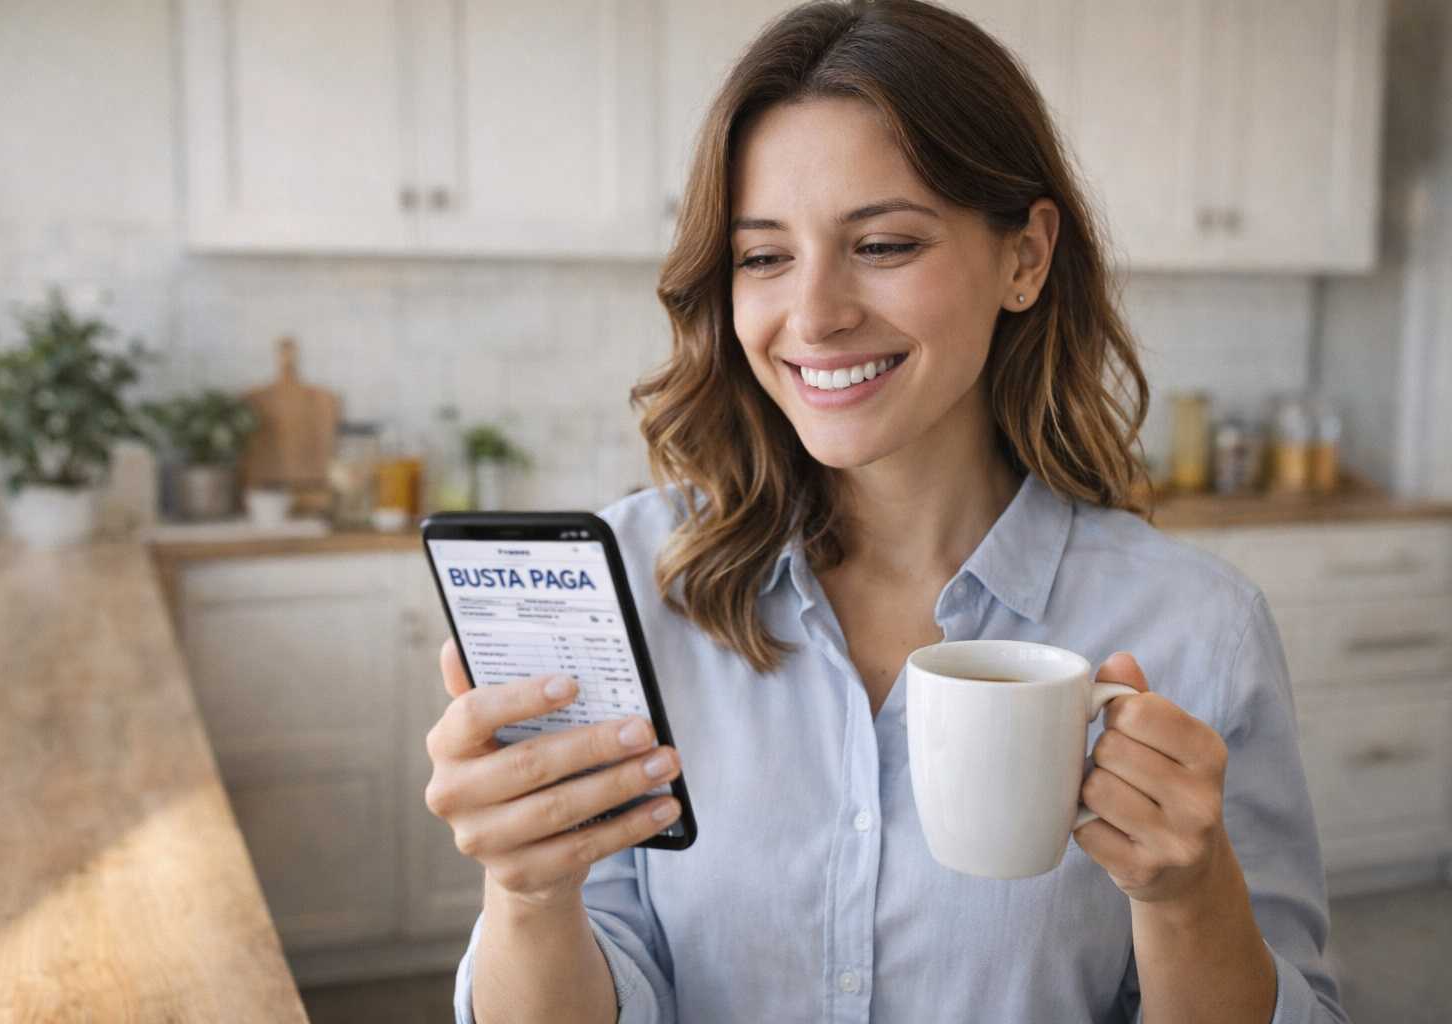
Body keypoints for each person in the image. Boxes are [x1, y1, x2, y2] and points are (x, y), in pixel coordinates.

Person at [424, 1, 1345, 1020]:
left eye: (886, 244)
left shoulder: (1197, 630)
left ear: (1025, 256)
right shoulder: (639, 586)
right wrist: (526, 891)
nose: (814, 314)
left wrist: (1188, 900)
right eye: (764, 257)